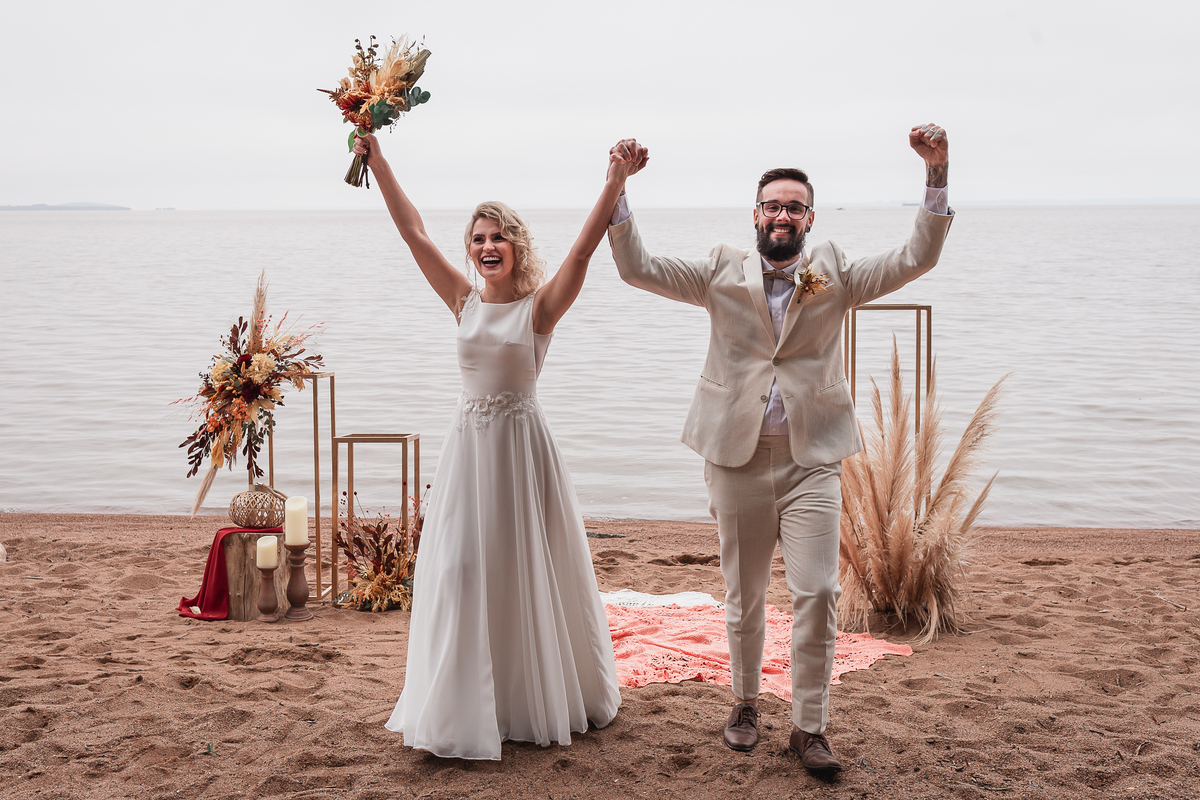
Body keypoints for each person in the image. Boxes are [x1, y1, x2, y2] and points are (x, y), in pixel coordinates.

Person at [607, 125, 953, 774]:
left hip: (810, 461)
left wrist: (935, 174)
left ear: (810, 218)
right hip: (734, 458)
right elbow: (637, 268)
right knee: (741, 597)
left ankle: (809, 726)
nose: (783, 214)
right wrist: (619, 188)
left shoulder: (836, 273)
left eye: (795, 206)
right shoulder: (718, 269)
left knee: (817, 591)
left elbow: (914, 259)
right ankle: (743, 703)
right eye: (773, 205)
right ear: (757, 215)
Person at [352, 132, 648, 760]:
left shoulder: (538, 310)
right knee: (459, 570)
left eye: (498, 238)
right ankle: (460, 702)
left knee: (522, 570)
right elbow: (413, 234)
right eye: (479, 239)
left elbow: (583, 253)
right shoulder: (461, 302)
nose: (488, 246)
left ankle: (521, 702)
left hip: (519, 454)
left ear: (516, 249)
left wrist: (615, 180)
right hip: (468, 455)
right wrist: (378, 163)